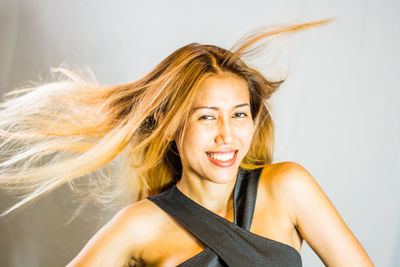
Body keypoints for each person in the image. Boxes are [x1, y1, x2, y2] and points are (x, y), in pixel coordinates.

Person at [0, 20, 373, 266]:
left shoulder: (288, 187)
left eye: (239, 114)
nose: (227, 135)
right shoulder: (140, 224)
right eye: (206, 116)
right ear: (169, 124)